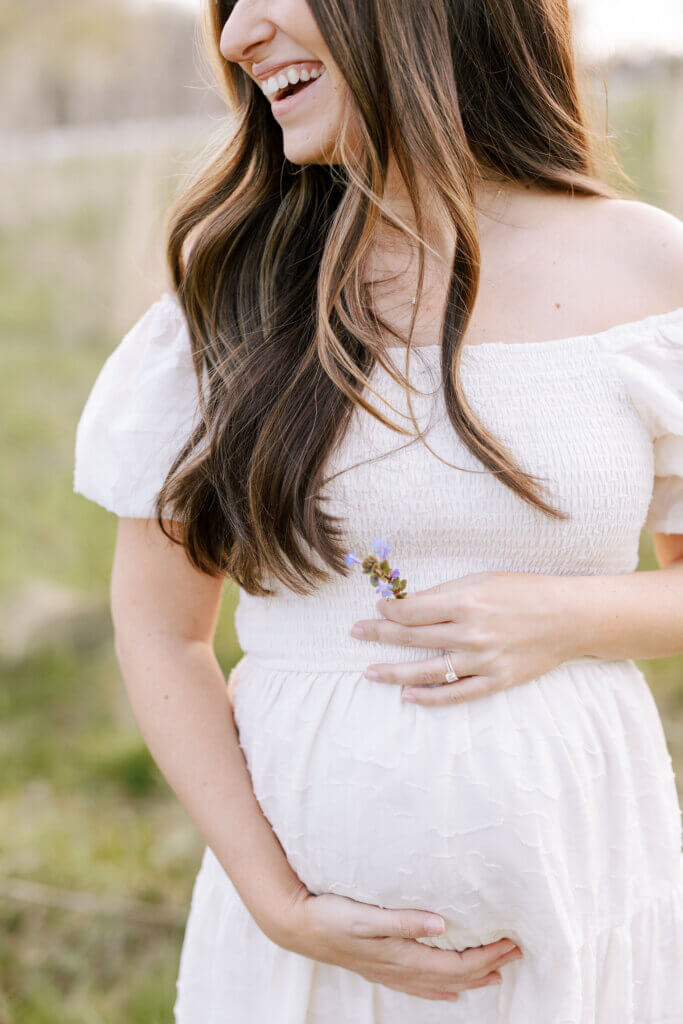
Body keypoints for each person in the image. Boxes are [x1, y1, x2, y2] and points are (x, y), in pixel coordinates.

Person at [73, 0, 683, 1020]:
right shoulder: (236, 288)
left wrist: (569, 617)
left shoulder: (646, 270)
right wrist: (278, 906)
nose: (232, 38)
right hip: (308, 953)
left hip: (579, 889)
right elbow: (158, 628)